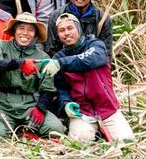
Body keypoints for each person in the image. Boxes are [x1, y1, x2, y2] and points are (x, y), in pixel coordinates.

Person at [43, 13, 133, 142]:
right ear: (58, 35)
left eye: (70, 28)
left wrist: (61, 64)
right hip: (82, 112)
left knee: (126, 142)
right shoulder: (58, 57)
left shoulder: (96, 45)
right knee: (79, 141)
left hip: (108, 109)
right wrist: (66, 104)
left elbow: (90, 59)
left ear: (79, 28)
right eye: (62, 30)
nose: (66, 33)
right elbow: (62, 89)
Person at [0, 13, 65, 138]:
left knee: (56, 130)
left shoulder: (43, 57)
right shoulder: (1, 46)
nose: (25, 33)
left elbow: (48, 89)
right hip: (2, 104)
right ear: (14, 31)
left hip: (29, 104)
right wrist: (20, 63)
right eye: (21, 28)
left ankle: (25, 130)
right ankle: (17, 130)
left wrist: (40, 108)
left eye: (30, 30)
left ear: (35, 35)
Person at [45, 0, 113, 59]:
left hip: (92, 62)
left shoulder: (102, 18)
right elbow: (51, 48)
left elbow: (106, 50)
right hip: (64, 62)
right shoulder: (57, 16)